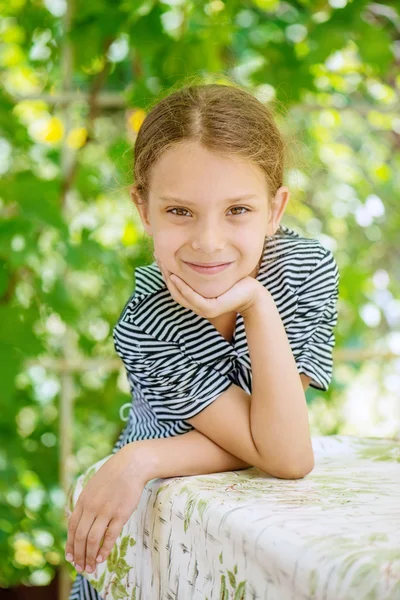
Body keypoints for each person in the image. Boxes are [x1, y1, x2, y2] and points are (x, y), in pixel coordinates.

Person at [67, 83, 339, 599]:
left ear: (275, 210)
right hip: (158, 533)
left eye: (237, 210)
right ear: (144, 209)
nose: (208, 241)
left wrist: (257, 304)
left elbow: (277, 446)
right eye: (179, 211)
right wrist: (141, 463)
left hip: (241, 519)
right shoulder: (149, 319)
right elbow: (282, 453)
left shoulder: (304, 271)